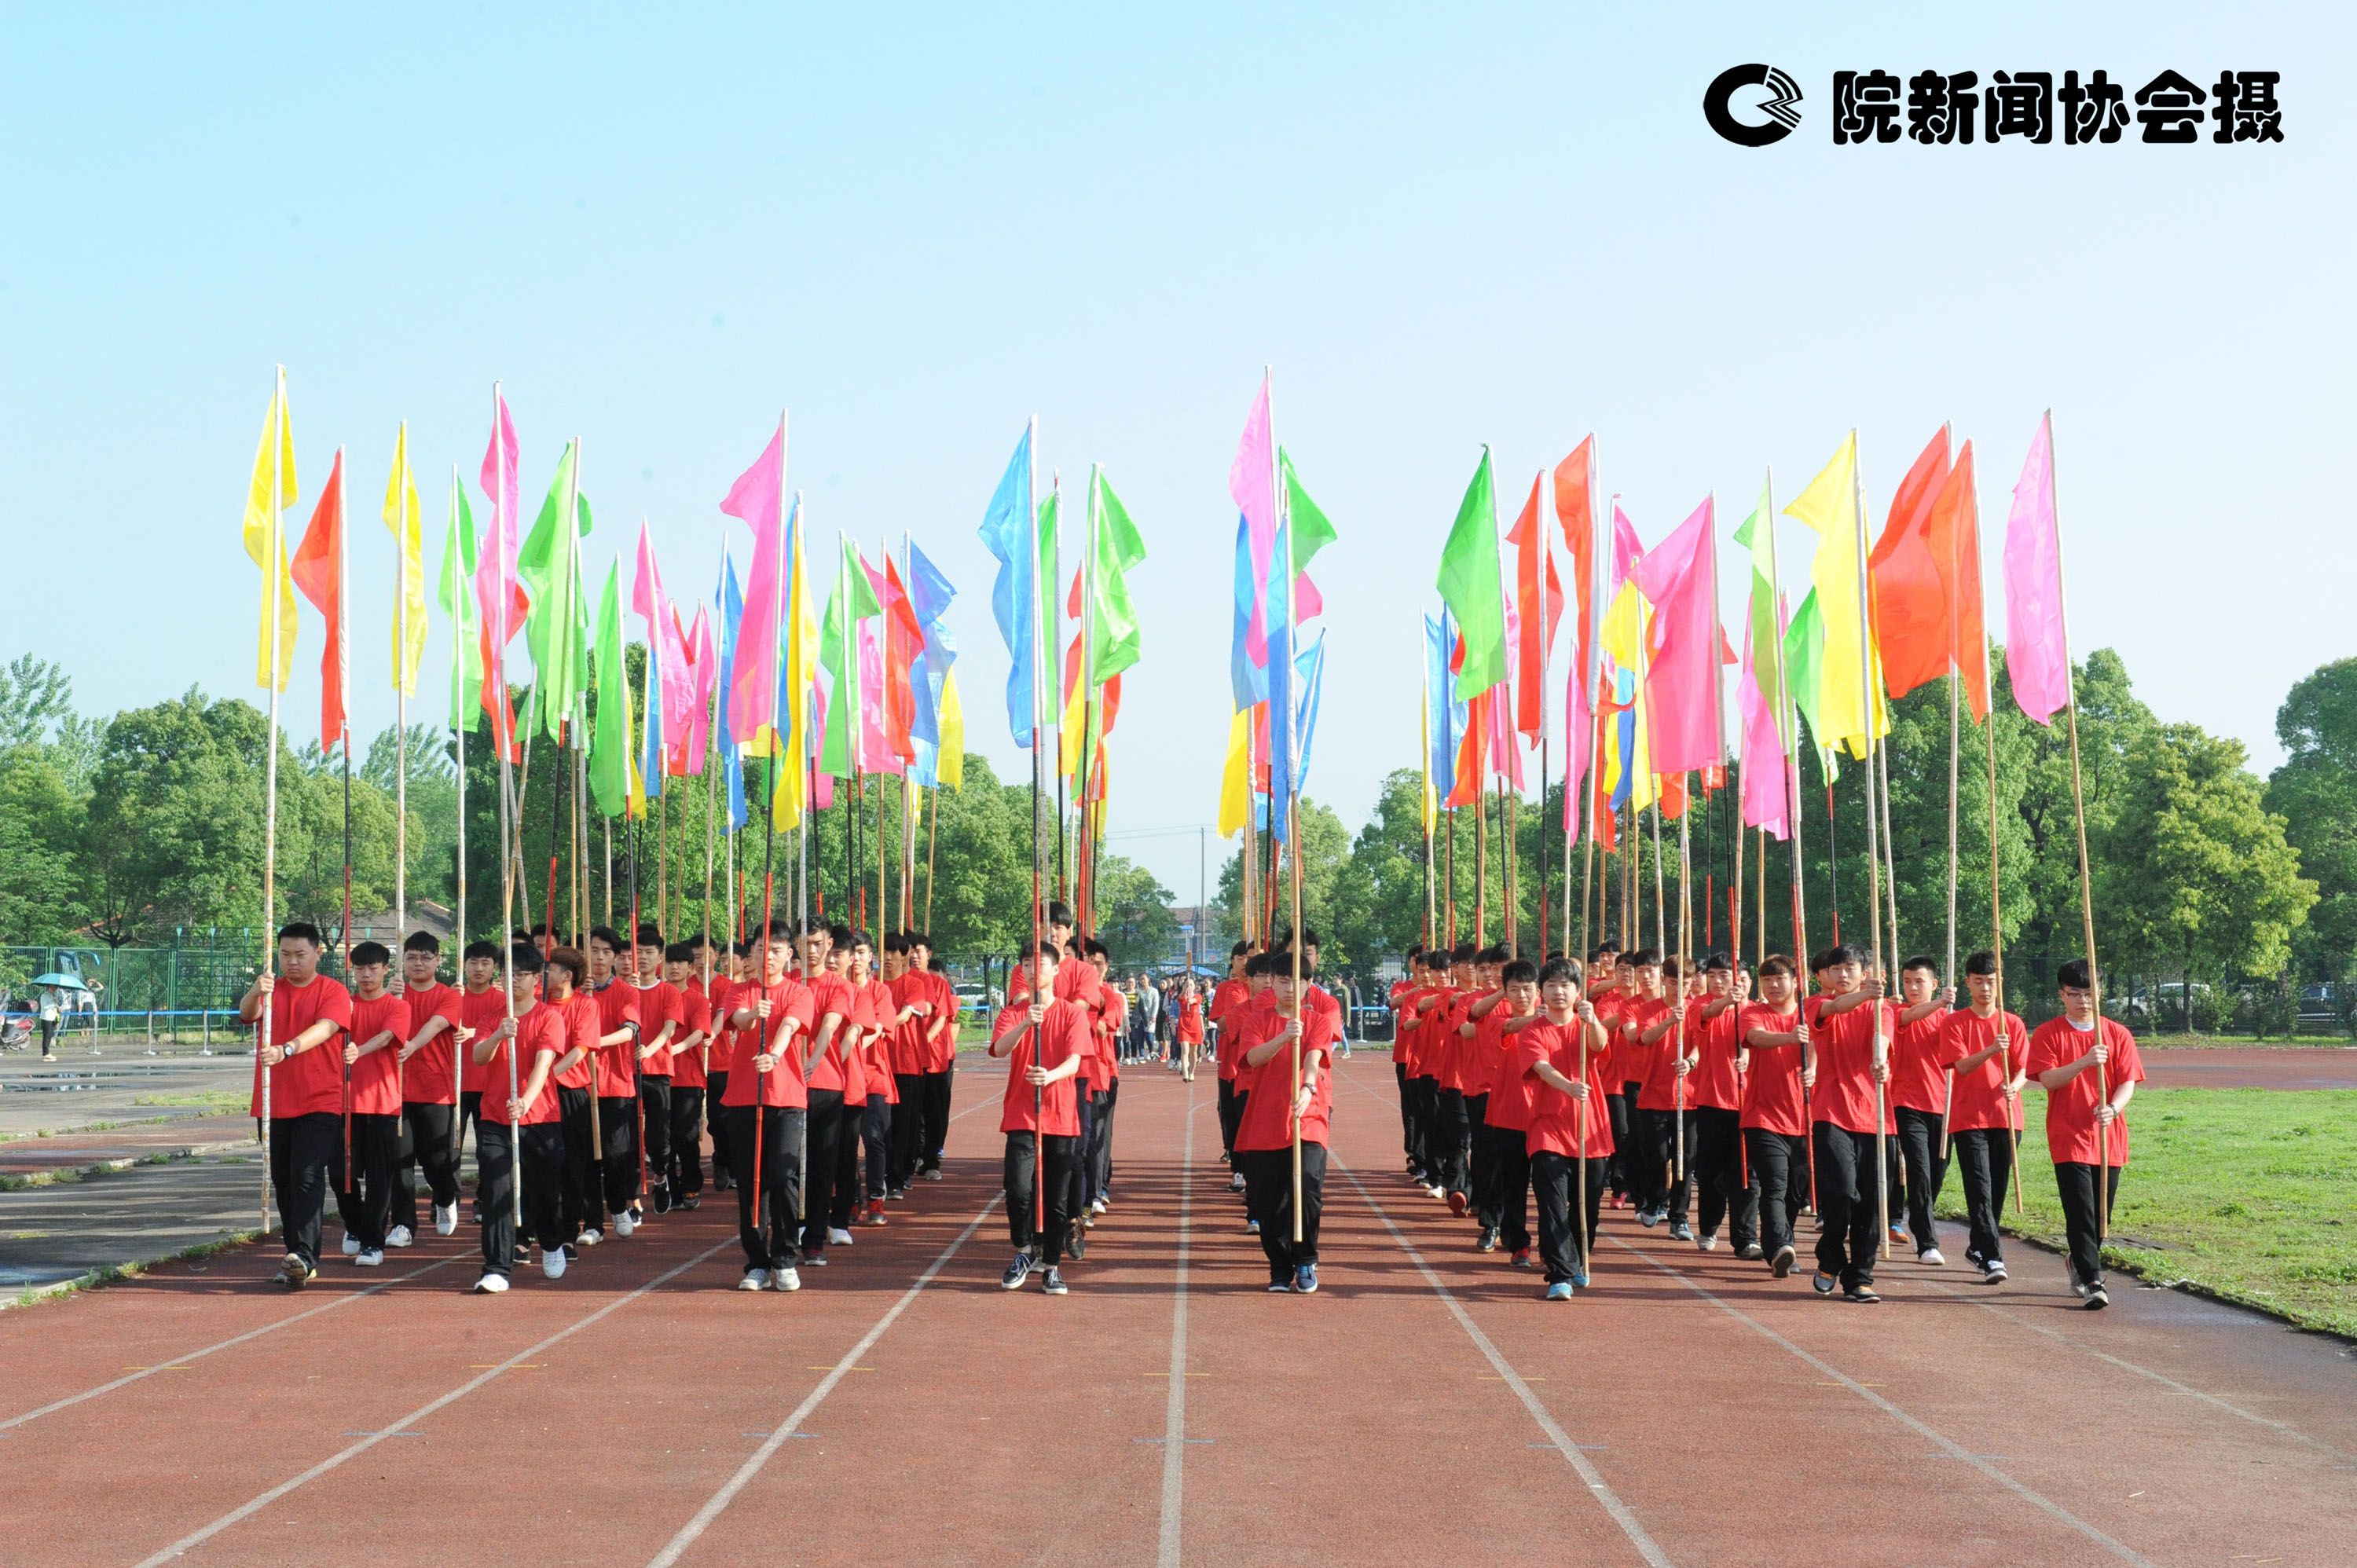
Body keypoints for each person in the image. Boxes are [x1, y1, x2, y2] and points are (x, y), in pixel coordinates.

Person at [240, 921, 355, 1289]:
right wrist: (257, 991)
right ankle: (296, 1254)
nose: (292, 962)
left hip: (321, 1100)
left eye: (300, 955)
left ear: (318, 954)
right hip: (274, 1101)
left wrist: (287, 1048)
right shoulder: (272, 992)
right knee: (284, 1181)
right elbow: (247, 1014)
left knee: (307, 1176)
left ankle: (305, 1254)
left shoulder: (333, 991)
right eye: (285, 954)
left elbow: (326, 1028)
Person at [2027, 959, 2144, 1310]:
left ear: (2100, 993)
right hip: (2069, 1136)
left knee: (2101, 1214)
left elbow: (2128, 1080)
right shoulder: (2049, 1033)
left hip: (2108, 1136)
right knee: (2080, 1211)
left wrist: (2114, 1107)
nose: (2082, 1000)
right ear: (2062, 995)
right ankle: (2094, 1279)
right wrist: (2083, 1061)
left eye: (2089, 993)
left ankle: (2079, 1260)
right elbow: (2048, 1079)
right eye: (2074, 994)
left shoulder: (2117, 1033)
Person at [470, 943, 572, 1292]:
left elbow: (545, 1064)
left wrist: (526, 1101)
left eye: (520, 975)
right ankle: (496, 1267)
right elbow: (479, 1057)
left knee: (544, 1190)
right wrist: (500, 1034)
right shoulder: (491, 1017)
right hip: (495, 1116)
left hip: (540, 1117)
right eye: (507, 974)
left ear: (536, 979)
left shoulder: (549, 1017)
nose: (512, 980)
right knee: (498, 1188)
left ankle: (552, 1241)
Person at [1232, 958, 1337, 1293]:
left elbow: (1314, 1058)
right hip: (1265, 1120)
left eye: (1297, 981)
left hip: (1306, 1116)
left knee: (1307, 1186)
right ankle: (1279, 1267)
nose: (1290, 988)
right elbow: (1251, 1059)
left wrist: (1307, 1088)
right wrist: (1283, 1038)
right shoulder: (1257, 1021)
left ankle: (1305, 1259)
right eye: (1283, 980)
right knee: (1268, 1199)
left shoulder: (1317, 1021)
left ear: (1308, 984)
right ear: (1272, 985)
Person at [991, 942, 1087, 1295]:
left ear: (1056, 969)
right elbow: (1000, 1048)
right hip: (1021, 1113)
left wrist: (1051, 1075)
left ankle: (1052, 1264)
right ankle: (1023, 1250)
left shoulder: (1072, 1014)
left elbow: (1076, 1061)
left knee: (1056, 1198)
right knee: (1018, 1189)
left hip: (1060, 1115)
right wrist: (1025, 1025)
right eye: (1027, 964)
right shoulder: (1014, 1013)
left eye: (1041, 964)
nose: (1034, 970)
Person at [721, 921, 813, 1291]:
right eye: (761, 948)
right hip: (744, 1097)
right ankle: (756, 1262)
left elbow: (791, 1026)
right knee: (751, 1182)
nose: (768, 956)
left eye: (776, 950)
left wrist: (773, 1055)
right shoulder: (739, 991)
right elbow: (738, 1020)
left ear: (789, 954)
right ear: (752, 953)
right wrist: (752, 1016)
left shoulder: (798, 992)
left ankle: (786, 1258)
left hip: (787, 1096)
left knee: (781, 1176)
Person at [1805, 945, 1895, 1303]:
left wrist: (1881, 1061)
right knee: (1842, 1193)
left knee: (1870, 1204)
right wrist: (1862, 995)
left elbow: (1882, 1039)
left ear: (1864, 971)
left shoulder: (1881, 1010)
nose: (1843, 975)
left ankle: (1860, 1277)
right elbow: (1836, 1007)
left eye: (1851, 969)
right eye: (1837, 968)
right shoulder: (1815, 1005)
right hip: (1831, 1114)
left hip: (1875, 1117)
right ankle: (1830, 1256)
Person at [1521, 958, 1611, 1300]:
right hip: (1548, 1125)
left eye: (1566, 985)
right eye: (1552, 985)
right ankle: (1560, 1272)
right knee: (1553, 1202)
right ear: (1542, 991)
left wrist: (1594, 1019)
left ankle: (1576, 1258)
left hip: (1591, 1127)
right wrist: (1568, 1086)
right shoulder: (1533, 1031)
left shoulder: (1587, 1024)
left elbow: (1600, 1047)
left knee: (1586, 1203)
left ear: (1577, 991)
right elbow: (1541, 1067)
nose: (1559, 992)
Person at [1941, 951, 2029, 1284]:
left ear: (1999, 983)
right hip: (1969, 1119)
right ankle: (1993, 1257)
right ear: (1968, 983)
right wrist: (1993, 1049)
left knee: (1997, 1190)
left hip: (2006, 1116)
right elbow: (1961, 1066)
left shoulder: (2013, 1023)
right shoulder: (1956, 1023)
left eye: (1991, 982)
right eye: (1978, 982)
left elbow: (2024, 1068)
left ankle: (1978, 1245)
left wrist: (2015, 1086)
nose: (1985, 989)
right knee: (1978, 1188)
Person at [328, 942, 407, 1267]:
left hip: (382, 1103)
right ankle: (355, 1225)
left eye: (373, 968)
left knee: (379, 1176)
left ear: (385, 969)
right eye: (360, 968)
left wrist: (359, 1049)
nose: (366, 974)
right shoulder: (344, 1005)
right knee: (339, 1175)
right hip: (342, 1103)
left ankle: (373, 1241)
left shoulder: (397, 1006)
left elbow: (388, 1037)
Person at [1739, 956, 1811, 1277]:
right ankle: (1783, 1245)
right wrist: (1791, 1038)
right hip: (1763, 1116)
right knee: (1774, 1186)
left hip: (1804, 1118)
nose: (1773, 985)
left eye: (1780, 978)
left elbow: (1820, 1044)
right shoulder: (1753, 1012)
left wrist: (1813, 1068)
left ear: (1796, 980)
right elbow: (1756, 1038)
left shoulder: (1809, 1013)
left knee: (1796, 1192)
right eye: (1767, 979)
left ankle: (1779, 1247)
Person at [391, 932, 463, 1244]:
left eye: (425, 957)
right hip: (395, 1090)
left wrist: (411, 1046)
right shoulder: (394, 994)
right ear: (403, 961)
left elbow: (435, 1025)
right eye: (411, 957)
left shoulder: (450, 995)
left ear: (437, 960)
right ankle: (404, 1224)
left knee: (435, 1159)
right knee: (400, 1158)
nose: (418, 963)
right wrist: (386, 995)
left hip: (436, 1088)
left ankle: (446, 1197)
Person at [1887, 955, 1957, 1266]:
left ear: (1935, 983)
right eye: (1907, 981)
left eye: (1919, 981)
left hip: (1944, 1106)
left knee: (1937, 1174)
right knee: (1919, 1169)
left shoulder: (1950, 1019)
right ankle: (1927, 1242)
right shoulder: (1896, 1011)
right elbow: (1911, 1016)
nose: (1913, 987)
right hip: (1907, 1103)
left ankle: (1919, 1216)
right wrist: (1940, 1004)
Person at [1688, 953, 1758, 1257]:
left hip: (1749, 1102)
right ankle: (1709, 1225)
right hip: (1711, 1100)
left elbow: (1757, 1040)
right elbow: (1708, 1013)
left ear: (1741, 979)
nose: (1719, 981)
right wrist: (1726, 1001)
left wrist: (1746, 1055)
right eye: (1714, 975)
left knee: (1746, 1172)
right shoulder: (1700, 1006)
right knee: (1711, 1171)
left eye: (1726, 975)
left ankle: (1745, 1238)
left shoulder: (1754, 1011)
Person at [1476, 957, 1543, 1265]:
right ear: (1505, 993)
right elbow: (1511, 1025)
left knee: (1548, 1185)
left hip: (1546, 1114)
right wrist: (1542, 1019)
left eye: (1528, 989)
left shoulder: (1555, 1018)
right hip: (1509, 1114)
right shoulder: (1496, 1021)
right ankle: (1518, 1243)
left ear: (1538, 990)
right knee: (1512, 1182)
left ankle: (1554, 1242)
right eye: (1514, 990)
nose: (1522, 996)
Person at [800, 923, 858, 1266]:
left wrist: (812, 1061)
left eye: (818, 944)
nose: (811, 950)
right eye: (805, 943)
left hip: (826, 1085)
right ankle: (791, 1226)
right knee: (790, 1165)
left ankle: (815, 1239)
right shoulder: (788, 982)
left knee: (822, 1165)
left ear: (829, 945)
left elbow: (830, 1025)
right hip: (787, 1087)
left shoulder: (839, 986)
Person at [585, 927, 646, 1237]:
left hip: (616, 1084)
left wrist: (593, 1041)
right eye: (594, 950)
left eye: (606, 952)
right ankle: (593, 1222)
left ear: (615, 957)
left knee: (615, 1154)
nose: (598, 957)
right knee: (584, 1158)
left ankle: (620, 1205)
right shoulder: (574, 991)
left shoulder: (626, 992)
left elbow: (629, 1030)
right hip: (579, 1083)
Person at [627, 925, 680, 1215]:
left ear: (659, 957)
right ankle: (633, 1198)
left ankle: (660, 1176)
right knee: (630, 1137)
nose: (643, 958)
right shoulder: (625, 990)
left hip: (658, 1070)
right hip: (627, 1073)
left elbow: (670, 1027)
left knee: (659, 1139)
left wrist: (651, 1048)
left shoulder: (669, 992)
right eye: (639, 953)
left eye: (649, 952)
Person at [456, 940, 505, 1224]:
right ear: (464, 965)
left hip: (489, 1085)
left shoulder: (501, 1000)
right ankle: (448, 1198)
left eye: (485, 963)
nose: (478, 968)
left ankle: (484, 1200)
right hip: (456, 1084)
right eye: (473, 962)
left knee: (487, 1150)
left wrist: (472, 1031)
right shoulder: (453, 998)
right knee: (451, 1149)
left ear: (494, 968)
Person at [662, 942, 712, 1211]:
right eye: (670, 962)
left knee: (686, 1136)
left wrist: (675, 1048)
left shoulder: (697, 999)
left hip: (689, 1077)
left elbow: (699, 1033)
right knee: (662, 1137)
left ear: (690, 968)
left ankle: (691, 1184)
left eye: (681, 962)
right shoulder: (656, 995)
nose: (674, 966)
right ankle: (669, 1187)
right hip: (659, 1077)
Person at [1209, 941, 1255, 1174]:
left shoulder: (1270, 988)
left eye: (1251, 957)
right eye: (1241, 957)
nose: (1246, 962)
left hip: (1257, 1063)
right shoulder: (1228, 988)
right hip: (1231, 1061)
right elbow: (1223, 1024)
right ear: (1233, 961)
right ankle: (1234, 1153)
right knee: (1228, 1111)